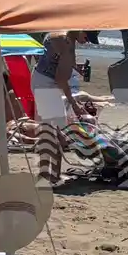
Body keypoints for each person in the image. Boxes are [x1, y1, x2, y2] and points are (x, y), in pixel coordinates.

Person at [32, 31, 86, 185]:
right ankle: (48, 176)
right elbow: (61, 79)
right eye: (87, 37)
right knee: (53, 132)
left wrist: (74, 67)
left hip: (43, 80)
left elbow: (59, 60)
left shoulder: (65, 36)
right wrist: (74, 103)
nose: (87, 41)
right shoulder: (66, 44)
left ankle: (52, 174)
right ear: (80, 31)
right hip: (45, 84)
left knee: (55, 131)